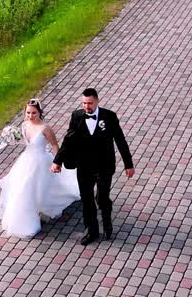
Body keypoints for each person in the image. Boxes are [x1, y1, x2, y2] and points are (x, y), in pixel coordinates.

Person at [51, 88, 134, 245]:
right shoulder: (76, 116)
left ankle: (107, 222)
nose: (86, 106)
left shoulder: (109, 117)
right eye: (84, 103)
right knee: (87, 200)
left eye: (89, 103)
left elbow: (120, 141)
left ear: (97, 101)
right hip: (84, 166)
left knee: (102, 198)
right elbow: (68, 140)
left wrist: (128, 164)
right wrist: (57, 161)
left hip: (104, 166)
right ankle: (92, 230)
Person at [0, 99, 81, 238]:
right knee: (23, 187)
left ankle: (35, 210)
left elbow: (54, 145)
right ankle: (25, 214)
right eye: (28, 113)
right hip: (26, 161)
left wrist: (57, 162)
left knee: (37, 187)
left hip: (41, 162)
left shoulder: (45, 128)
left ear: (40, 112)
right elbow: (27, 142)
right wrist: (13, 139)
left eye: (34, 113)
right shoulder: (24, 125)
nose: (30, 116)